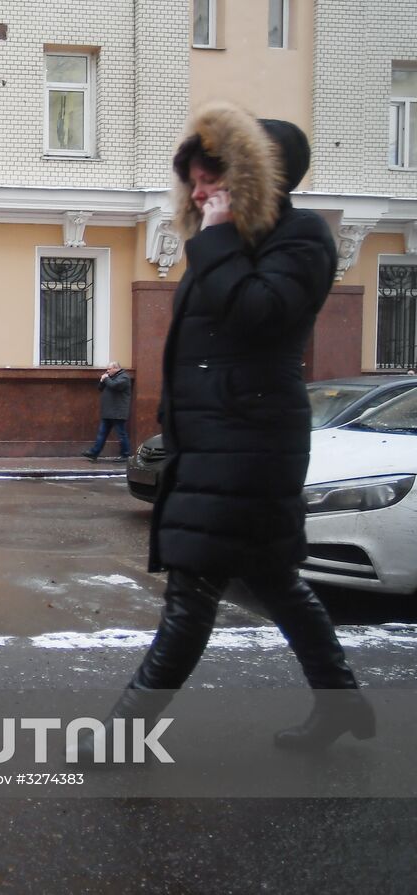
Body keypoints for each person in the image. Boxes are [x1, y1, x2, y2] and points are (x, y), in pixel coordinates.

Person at [95, 102, 374, 755]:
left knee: (192, 591)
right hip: (216, 443)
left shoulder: (302, 238)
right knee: (275, 577)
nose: (197, 194)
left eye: (210, 180)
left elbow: (260, 314)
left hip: (250, 445)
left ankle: (122, 734)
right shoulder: (225, 247)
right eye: (192, 181)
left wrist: (217, 238)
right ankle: (342, 702)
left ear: (252, 180)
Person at [80, 362, 132, 462]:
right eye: (107, 369)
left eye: (109, 369)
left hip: (118, 412)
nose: (107, 371)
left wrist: (106, 378)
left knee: (121, 434)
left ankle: (125, 455)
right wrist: (102, 380)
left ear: (116, 368)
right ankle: (94, 452)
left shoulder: (124, 377)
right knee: (102, 433)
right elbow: (100, 388)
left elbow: (114, 385)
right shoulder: (110, 377)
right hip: (108, 412)